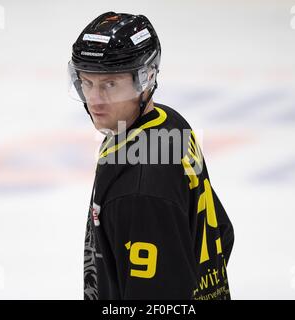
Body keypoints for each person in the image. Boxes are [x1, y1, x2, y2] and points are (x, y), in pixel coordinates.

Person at [68, 11, 234, 300]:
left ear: (146, 79)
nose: (95, 99)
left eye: (110, 84)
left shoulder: (142, 188)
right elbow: (221, 231)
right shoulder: (169, 124)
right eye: (87, 81)